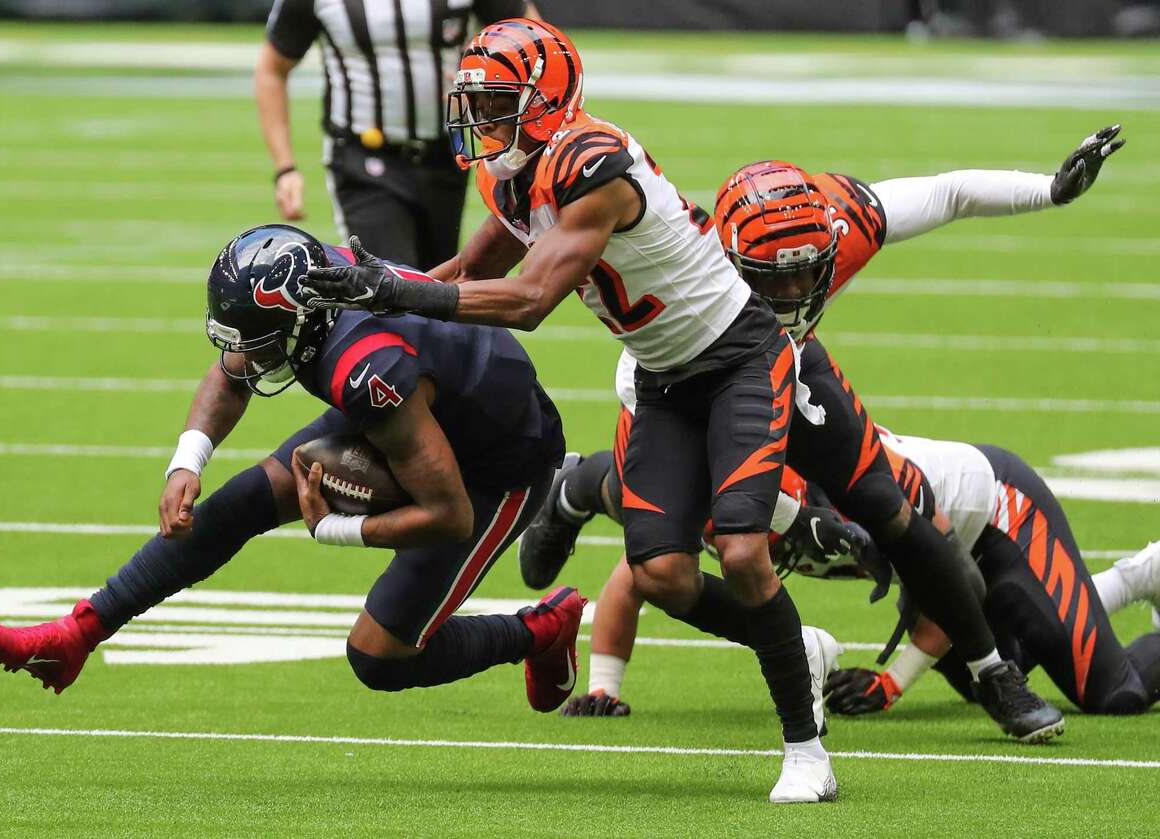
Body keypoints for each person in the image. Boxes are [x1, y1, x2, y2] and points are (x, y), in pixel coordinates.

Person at [302, 17, 839, 803]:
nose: (480, 121)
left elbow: (525, 301)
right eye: (474, 104)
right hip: (664, 375)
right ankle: (799, 644)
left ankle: (806, 751)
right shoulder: (518, 171)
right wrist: (368, 311)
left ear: (546, 99)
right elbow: (469, 269)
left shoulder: (593, 166)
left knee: (745, 553)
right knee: (662, 573)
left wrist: (387, 287)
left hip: (739, 359)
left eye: (494, 103)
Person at [518, 126, 1126, 742]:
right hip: (692, 380)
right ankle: (577, 491)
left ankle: (994, 673)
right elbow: (640, 386)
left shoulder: (832, 222)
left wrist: (1049, 191)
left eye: (804, 277)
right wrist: (788, 515)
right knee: (652, 534)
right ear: (724, 260)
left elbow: (948, 194)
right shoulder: (684, 273)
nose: (789, 294)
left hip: (793, 366)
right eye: (770, 280)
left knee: (886, 504)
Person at [0, 224, 583, 714]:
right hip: (415, 405)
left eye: (259, 340)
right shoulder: (313, 283)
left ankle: (540, 629)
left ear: (299, 324)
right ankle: (76, 634)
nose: (243, 355)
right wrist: (189, 458)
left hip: (499, 460)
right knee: (239, 502)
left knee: (380, 657)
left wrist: (336, 529)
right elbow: (234, 365)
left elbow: (450, 516)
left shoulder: (367, 371)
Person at [553, 430, 1160, 723]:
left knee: (1113, 694)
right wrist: (605, 686)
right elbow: (633, 578)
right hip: (941, 564)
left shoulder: (865, 496)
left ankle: (1144, 572)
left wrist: (892, 684)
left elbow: (954, 589)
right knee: (1017, 660)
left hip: (1001, 515)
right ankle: (1085, 597)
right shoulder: (718, 501)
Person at [256, 0, 539, 267]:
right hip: (363, 159)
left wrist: (488, 69)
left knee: (436, 294)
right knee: (390, 289)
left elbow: (535, 44)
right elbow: (272, 69)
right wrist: (286, 169)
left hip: (447, 154)